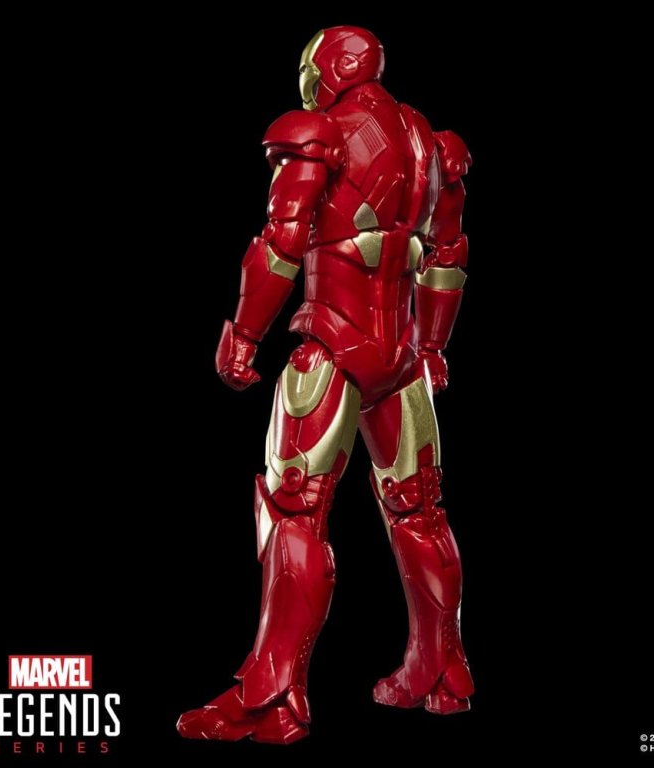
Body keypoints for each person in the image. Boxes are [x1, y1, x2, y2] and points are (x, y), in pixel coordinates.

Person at [178, 26, 473, 744]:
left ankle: (273, 698)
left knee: (293, 510)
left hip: (334, 349)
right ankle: (441, 673)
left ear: (332, 68)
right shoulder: (429, 143)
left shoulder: (319, 133)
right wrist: (433, 346)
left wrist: (243, 333)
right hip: (401, 361)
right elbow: (448, 254)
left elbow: (280, 243)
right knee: (419, 513)